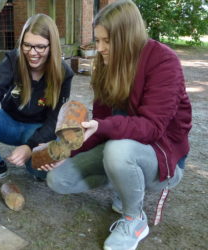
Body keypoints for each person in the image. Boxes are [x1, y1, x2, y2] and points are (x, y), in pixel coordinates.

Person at [43, 1, 192, 249]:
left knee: (118, 150)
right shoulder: (105, 63)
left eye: (107, 41)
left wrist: (103, 128)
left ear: (127, 36)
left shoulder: (164, 61)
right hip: (121, 148)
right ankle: (124, 181)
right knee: (58, 180)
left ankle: (134, 220)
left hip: (162, 157)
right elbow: (99, 123)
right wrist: (66, 151)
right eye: (98, 40)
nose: (100, 48)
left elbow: (152, 127)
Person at [0, 13, 74, 181]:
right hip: (9, 123)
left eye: (40, 47)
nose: (32, 53)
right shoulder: (13, 59)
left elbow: (55, 119)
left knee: (40, 171)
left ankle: (33, 158)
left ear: (51, 46)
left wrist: (30, 147)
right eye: (27, 45)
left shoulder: (64, 73)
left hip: (37, 129)